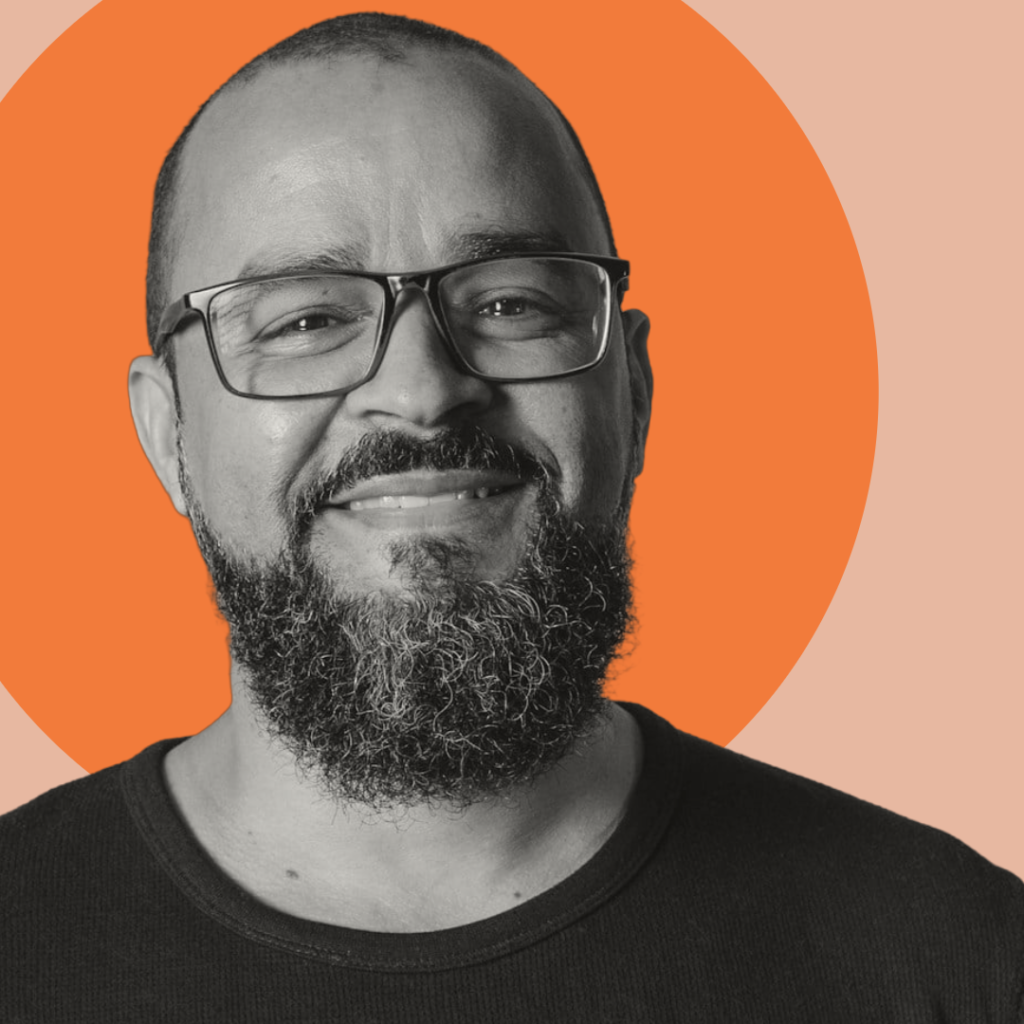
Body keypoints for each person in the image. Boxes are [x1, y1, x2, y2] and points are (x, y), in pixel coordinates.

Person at [1, 12, 1020, 1021]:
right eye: (306, 319)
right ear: (168, 432)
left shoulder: (959, 958)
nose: (419, 391)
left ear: (632, 392)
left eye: (509, 305)